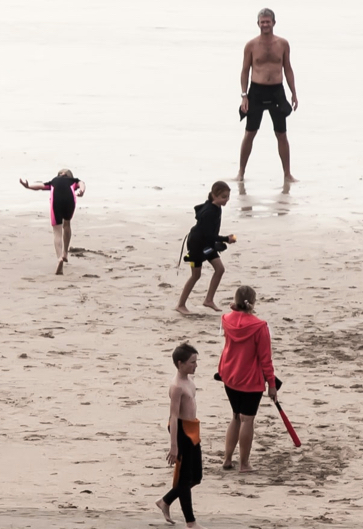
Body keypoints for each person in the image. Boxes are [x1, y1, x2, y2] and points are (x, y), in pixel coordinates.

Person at [217, 285, 280, 473]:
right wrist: (272, 384)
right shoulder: (259, 326)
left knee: (236, 416)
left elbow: (233, 316)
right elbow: (265, 358)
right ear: (252, 303)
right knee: (247, 420)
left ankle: (227, 459)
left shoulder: (226, 319)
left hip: (229, 374)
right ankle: (244, 464)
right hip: (250, 379)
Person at [237, 8, 298, 179]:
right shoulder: (251, 45)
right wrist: (244, 96)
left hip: (277, 92)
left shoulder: (283, 44)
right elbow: (244, 71)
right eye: (262, 22)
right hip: (256, 90)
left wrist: (294, 93)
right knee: (250, 132)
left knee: (281, 134)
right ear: (258, 24)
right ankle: (241, 172)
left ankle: (287, 174)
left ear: (274, 23)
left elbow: (288, 69)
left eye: (268, 21)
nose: (265, 24)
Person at [155, 343, 204, 525]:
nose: (195, 365)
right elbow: (174, 416)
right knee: (184, 478)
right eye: (192, 362)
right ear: (180, 363)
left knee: (196, 477)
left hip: (193, 428)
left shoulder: (189, 382)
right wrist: (174, 445)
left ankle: (165, 501)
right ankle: (191, 523)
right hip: (181, 430)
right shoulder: (176, 387)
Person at [175, 182, 234, 313]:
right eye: (223, 197)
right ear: (214, 195)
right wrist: (226, 239)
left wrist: (216, 244)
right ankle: (180, 305)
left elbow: (209, 236)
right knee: (195, 275)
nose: (226, 200)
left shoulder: (217, 207)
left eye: (228, 196)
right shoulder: (209, 212)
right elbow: (209, 235)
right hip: (196, 246)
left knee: (220, 269)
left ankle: (209, 300)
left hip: (206, 246)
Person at [19, 169, 84, 274]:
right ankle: (65, 253)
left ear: (62, 174)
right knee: (67, 224)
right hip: (69, 201)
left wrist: (28, 186)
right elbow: (82, 183)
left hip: (56, 202)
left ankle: (59, 258)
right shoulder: (73, 181)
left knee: (57, 231)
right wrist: (82, 190)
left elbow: (40, 186)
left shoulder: (54, 181)